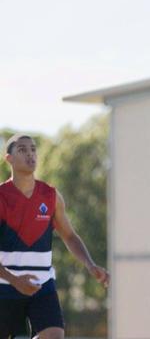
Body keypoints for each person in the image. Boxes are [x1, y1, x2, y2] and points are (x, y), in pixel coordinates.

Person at [0, 134, 110, 339]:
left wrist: (90, 264)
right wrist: (14, 280)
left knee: (55, 335)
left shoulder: (50, 195)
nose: (30, 154)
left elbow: (69, 236)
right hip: (5, 287)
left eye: (33, 149)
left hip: (42, 285)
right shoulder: (1, 197)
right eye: (22, 150)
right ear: (9, 159)